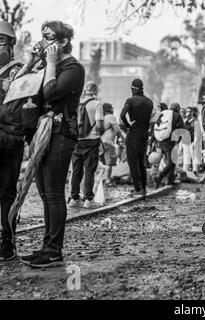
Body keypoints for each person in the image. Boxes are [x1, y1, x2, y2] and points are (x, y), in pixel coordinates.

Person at [19, 21, 85, 267]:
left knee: (55, 193)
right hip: (41, 132)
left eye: (49, 36)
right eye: (43, 36)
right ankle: (46, 246)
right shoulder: (47, 64)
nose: (44, 40)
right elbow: (20, 85)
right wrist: (31, 61)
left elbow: (49, 92)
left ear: (64, 41)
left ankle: (54, 251)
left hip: (61, 133)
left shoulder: (73, 67)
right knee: (45, 194)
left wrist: (51, 64)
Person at [0, 20, 27, 261]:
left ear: (10, 44)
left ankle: (6, 240)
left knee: (7, 192)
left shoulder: (19, 70)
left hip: (9, 137)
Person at [68, 81, 104, 208]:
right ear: (95, 90)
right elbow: (99, 125)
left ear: (85, 90)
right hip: (91, 141)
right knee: (89, 170)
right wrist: (101, 131)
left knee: (76, 170)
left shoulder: (78, 103)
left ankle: (74, 198)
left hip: (77, 141)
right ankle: (89, 199)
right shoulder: (97, 104)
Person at [120, 79, 153, 197]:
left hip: (133, 133)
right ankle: (144, 188)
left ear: (133, 89)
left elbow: (122, 115)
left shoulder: (130, 100)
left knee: (133, 162)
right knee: (141, 161)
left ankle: (137, 189)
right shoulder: (149, 102)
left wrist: (128, 126)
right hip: (144, 134)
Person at [154, 102, 184, 188]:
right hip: (169, 142)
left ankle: (169, 181)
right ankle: (159, 176)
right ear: (178, 108)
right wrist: (178, 140)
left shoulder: (164, 115)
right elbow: (182, 129)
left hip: (160, 141)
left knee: (171, 161)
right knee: (172, 162)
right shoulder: (177, 115)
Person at [100, 102, 122, 186]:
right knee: (109, 162)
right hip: (108, 142)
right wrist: (120, 137)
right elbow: (117, 129)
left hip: (100, 142)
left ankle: (100, 179)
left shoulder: (102, 118)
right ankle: (108, 180)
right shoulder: (111, 117)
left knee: (102, 162)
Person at [182, 106, 202, 175]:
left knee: (194, 156)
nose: (188, 113)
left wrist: (195, 142)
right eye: (187, 111)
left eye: (189, 111)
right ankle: (185, 170)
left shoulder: (195, 121)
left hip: (193, 141)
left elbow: (197, 132)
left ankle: (195, 170)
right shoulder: (185, 120)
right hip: (186, 141)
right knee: (186, 156)